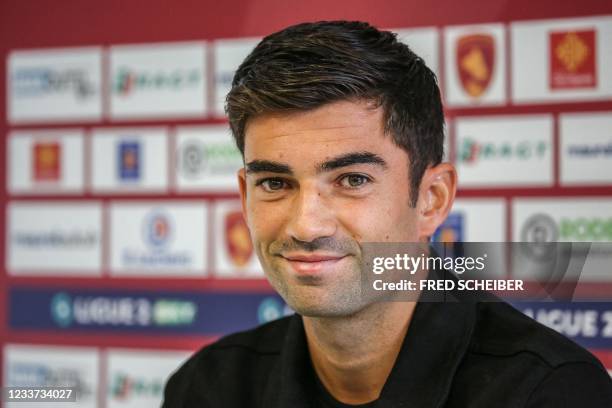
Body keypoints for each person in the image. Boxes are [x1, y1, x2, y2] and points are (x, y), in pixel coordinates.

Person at [163, 21, 612, 407]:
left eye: (352, 180)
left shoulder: (550, 391)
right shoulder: (207, 387)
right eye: (275, 183)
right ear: (245, 195)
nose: (306, 225)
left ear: (432, 198)